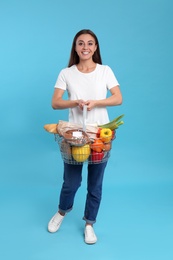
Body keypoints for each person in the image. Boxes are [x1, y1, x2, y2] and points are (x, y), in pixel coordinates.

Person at [48, 29, 122, 244]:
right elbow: (55, 102)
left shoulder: (105, 70)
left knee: (95, 184)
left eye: (90, 43)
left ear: (96, 47)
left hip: (100, 135)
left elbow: (118, 98)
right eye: (81, 43)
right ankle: (61, 212)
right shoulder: (66, 73)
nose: (85, 47)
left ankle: (90, 223)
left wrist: (96, 101)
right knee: (71, 182)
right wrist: (76, 102)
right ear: (75, 47)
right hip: (75, 135)